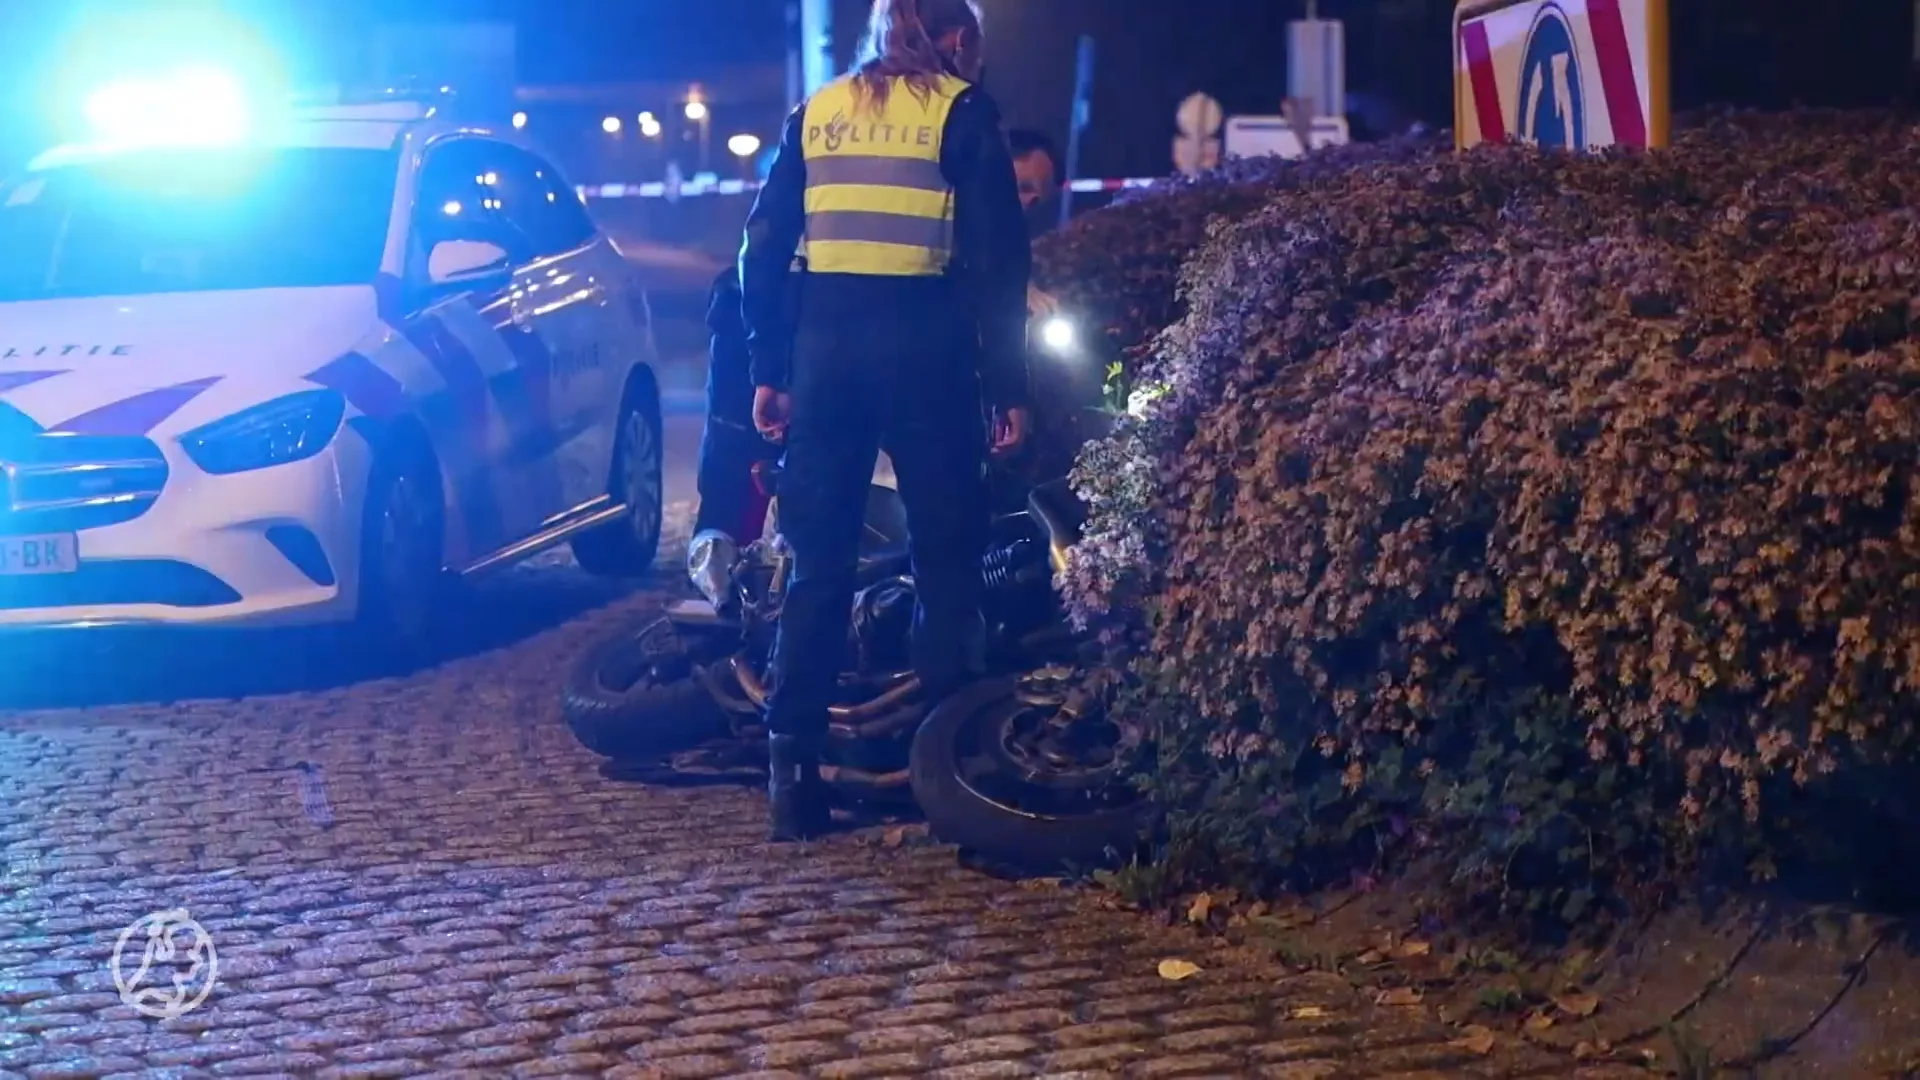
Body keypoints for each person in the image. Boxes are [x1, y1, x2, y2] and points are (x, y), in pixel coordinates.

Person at [739, 0, 1032, 840]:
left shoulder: (820, 111)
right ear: (957, 40)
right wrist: (1006, 386)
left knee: (819, 565)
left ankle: (791, 775)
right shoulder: (960, 111)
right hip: (926, 353)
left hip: (827, 358)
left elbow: (764, 247)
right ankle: (953, 770)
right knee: (947, 559)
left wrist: (772, 370)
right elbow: (996, 264)